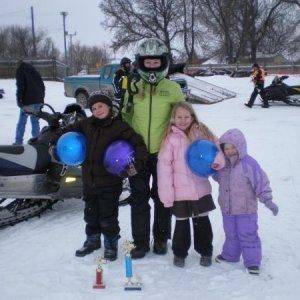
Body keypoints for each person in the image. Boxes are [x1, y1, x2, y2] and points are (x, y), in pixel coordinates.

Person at [56, 90, 148, 260]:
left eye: (101, 106)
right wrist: (55, 134)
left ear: (109, 107)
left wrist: (137, 163)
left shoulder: (119, 127)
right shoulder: (85, 124)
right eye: (94, 108)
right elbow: (65, 133)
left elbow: (138, 143)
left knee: (108, 216)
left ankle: (111, 245)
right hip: (89, 180)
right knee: (90, 214)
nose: (97, 110)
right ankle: (92, 241)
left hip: (110, 182)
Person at [121, 38, 185, 259]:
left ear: (163, 62)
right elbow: (125, 117)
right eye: (147, 62)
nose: (151, 66)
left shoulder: (174, 89)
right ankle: (140, 242)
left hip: (164, 153)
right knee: (138, 197)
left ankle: (160, 238)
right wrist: (125, 143)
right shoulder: (133, 87)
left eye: (155, 62)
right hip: (137, 154)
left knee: (162, 196)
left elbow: (183, 119)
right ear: (140, 63)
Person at [157, 102, 225, 268]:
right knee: (181, 223)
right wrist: (167, 194)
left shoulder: (201, 132)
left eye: (186, 116)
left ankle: (205, 251)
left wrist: (217, 162)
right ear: (173, 118)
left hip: (200, 188)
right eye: (179, 117)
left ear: (192, 116)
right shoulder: (170, 139)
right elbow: (164, 168)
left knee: (202, 222)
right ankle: (179, 253)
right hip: (179, 191)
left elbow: (218, 149)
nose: (183, 120)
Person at [213, 128, 279, 275]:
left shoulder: (248, 164)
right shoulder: (223, 165)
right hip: (227, 209)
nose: (229, 151)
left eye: (233, 147)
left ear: (240, 146)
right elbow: (218, 179)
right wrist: (215, 169)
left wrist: (267, 200)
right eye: (226, 148)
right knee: (231, 233)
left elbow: (260, 182)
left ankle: (253, 262)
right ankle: (230, 255)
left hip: (246, 210)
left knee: (248, 234)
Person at [14, 60, 45, 144]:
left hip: (28, 101)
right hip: (38, 100)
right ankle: (37, 142)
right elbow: (42, 85)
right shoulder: (34, 71)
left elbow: (20, 86)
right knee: (35, 121)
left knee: (22, 121)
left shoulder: (20, 70)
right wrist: (41, 100)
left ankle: (18, 142)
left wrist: (19, 100)